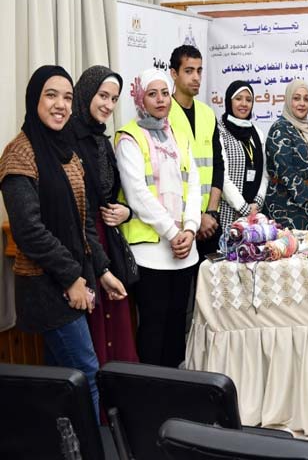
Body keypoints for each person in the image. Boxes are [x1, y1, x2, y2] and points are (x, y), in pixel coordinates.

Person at [0, 66, 127, 419]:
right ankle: (91, 450)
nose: (61, 104)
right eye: (51, 95)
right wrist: (73, 278)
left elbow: (84, 222)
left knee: (59, 381)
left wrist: (101, 270)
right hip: (46, 288)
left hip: (75, 282)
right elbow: (29, 232)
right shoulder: (18, 155)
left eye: (67, 97)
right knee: (86, 373)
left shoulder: (67, 154)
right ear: (34, 100)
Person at [115, 68, 201, 367]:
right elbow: (137, 193)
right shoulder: (129, 138)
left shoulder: (176, 134)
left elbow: (193, 184)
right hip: (151, 252)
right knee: (153, 325)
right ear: (141, 99)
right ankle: (151, 395)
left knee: (179, 324)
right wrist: (172, 231)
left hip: (184, 251)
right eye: (152, 94)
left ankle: (175, 393)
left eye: (164, 92)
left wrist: (190, 229)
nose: (160, 99)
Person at [68, 65, 138, 365]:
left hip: (107, 239)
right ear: (85, 93)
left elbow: (111, 194)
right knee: (94, 335)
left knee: (119, 330)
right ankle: (97, 411)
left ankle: (120, 406)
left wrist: (127, 212)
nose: (108, 105)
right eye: (102, 96)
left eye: (114, 99)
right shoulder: (68, 137)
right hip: (84, 246)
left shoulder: (102, 138)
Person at [167, 45, 224, 259]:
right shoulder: (164, 113)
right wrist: (195, 219)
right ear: (174, 74)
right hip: (179, 225)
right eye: (189, 71)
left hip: (210, 222)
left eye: (199, 71)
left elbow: (218, 165)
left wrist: (210, 213)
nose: (196, 77)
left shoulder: (208, 113)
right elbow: (167, 177)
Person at [265, 79, 308, 230]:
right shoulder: (279, 129)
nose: (302, 103)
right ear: (288, 100)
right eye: (296, 98)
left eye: (306, 99)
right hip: (286, 209)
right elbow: (286, 172)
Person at [216, 80, 268, 235]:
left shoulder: (257, 132)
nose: (244, 104)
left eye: (248, 99)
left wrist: (257, 204)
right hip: (230, 212)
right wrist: (244, 208)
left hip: (254, 214)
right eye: (238, 98)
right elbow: (222, 176)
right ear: (228, 101)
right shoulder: (220, 131)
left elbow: (265, 173)